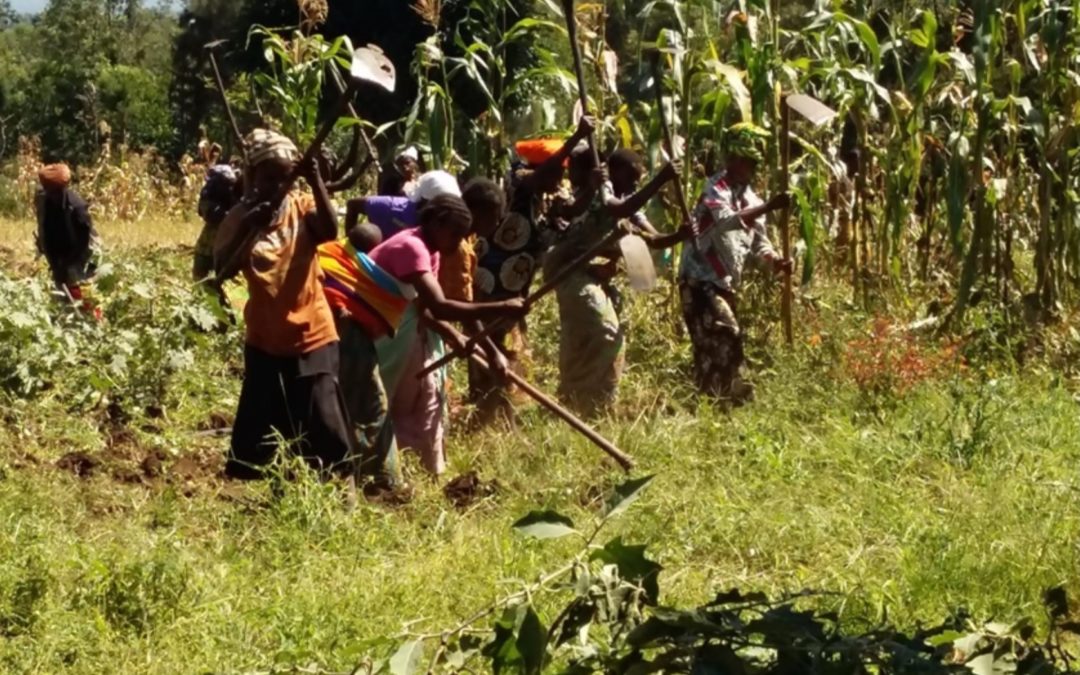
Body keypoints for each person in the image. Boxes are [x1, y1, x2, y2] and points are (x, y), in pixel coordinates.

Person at [215, 129, 354, 481]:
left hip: (313, 332)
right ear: (252, 176)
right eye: (268, 177)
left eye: (284, 176)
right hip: (265, 339)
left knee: (325, 422)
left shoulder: (302, 206)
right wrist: (249, 227)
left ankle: (339, 488)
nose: (277, 184)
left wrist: (315, 179)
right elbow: (222, 270)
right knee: (269, 429)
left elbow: (328, 230)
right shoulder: (239, 218)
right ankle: (283, 490)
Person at [360, 195, 525, 489]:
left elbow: (423, 310)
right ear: (436, 223)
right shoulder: (412, 247)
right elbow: (439, 307)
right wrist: (502, 307)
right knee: (376, 408)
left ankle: (421, 478)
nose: (459, 242)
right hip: (374, 334)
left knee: (425, 401)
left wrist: (457, 336)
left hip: (403, 332)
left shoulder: (431, 251)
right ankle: (379, 477)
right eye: (456, 233)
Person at [469, 116, 597, 416]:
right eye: (556, 171)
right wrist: (577, 134)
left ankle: (499, 411)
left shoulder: (548, 195)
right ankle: (485, 410)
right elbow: (543, 175)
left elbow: (571, 212)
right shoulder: (520, 181)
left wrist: (591, 188)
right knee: (486, 346)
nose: (560, 179)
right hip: (491, 283)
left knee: (509, 351)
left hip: (517, 288)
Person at [544, 146, 681, 415]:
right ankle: (585, 399)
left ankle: (590, 400)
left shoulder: (628, 199)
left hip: (588, 271)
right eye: (630, 178)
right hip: (566, 269)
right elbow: (617, 209)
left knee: (584, 335)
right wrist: (661, 179)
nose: (633, 185)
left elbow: (653, 239)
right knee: (604, 330)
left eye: (637, 182)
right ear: (615, 172)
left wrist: (682, 234)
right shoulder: (604, 190)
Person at [676, 123, 792, 404]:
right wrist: (769, 207)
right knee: (726, 332)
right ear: (732, 159)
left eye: (752, 163)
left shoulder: (752, 198)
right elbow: (727, 221)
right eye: (744, 161)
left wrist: (775, 260)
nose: (748, 167)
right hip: (698, 278)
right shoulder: (715, 188)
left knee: (713, 345)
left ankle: (716, 402)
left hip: (725, 282)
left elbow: (758, 242)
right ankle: (726, 396)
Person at [34, 163, 102, 318]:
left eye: (56, 192)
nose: (52, 195)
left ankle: (94, 324)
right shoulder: (42, 199)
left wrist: (66, 265)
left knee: (82, 292)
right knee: (60, 292)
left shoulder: (77, 208)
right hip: (58, 246)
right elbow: (44, 228)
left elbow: (83, 243)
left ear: (64, 188)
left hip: (81, 250)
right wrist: (54, 263)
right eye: (49, 191)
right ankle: (65, 322)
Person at [344, 169, 459, 240]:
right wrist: (351, 246)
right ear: (424, 201)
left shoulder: (446, 228)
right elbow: (353, 205)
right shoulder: (392, 208)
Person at [193, 163, 242, 282]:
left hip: (209, 248)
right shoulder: (219, 205)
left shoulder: (212, 201)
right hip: (215, 248)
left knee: (203, 283)